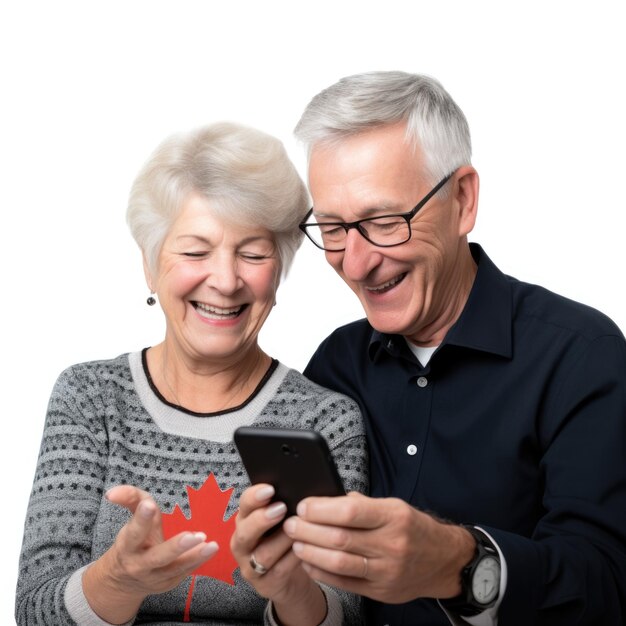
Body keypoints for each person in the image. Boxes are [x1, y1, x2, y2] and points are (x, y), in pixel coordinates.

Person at [280, 71, 626, 625]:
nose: (355, 262)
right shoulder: (334, 366)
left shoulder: (583, 356)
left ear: (462, 200)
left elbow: (607, 586)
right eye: (334, 227)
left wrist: (459, 563)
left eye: (384, 221)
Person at [15, 122, 368, 626]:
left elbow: (346, 617)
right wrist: (119, 579)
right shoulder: (89, 398)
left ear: (280, 269)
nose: (225, 281)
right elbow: (33, 612)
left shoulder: (325, 419)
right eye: (196, 251)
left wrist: (289, 588)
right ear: (151, 265)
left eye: (252, 253)